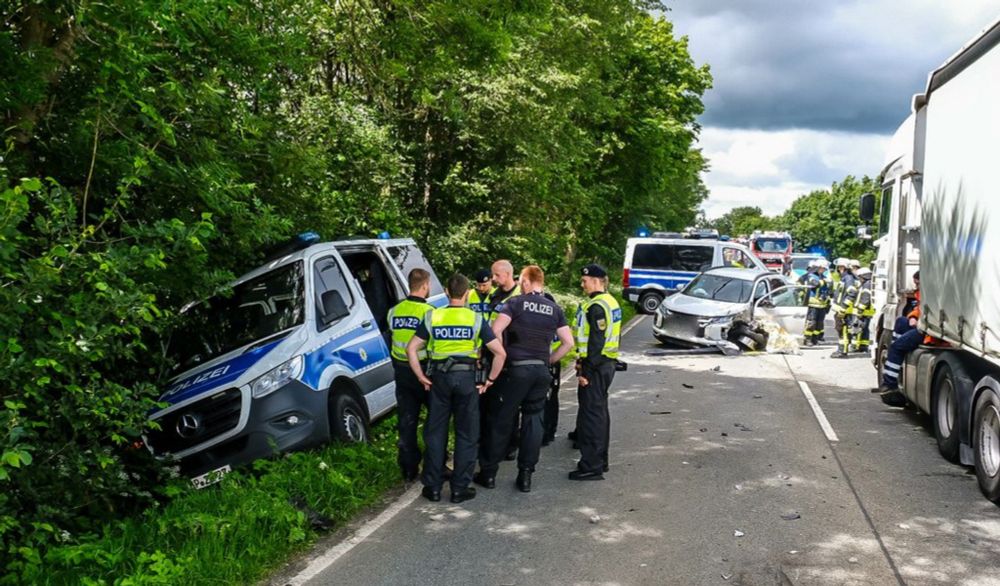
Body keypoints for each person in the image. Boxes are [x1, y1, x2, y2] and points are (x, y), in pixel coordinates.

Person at [406, 274, 507, 504]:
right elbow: (500, 353)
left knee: (435, 432)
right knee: (467, 433)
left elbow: (411, 349)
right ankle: (460, 489)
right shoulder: (475, 319)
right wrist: (490, 380)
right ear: (467, 292)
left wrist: (421, 376)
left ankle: (432, 487)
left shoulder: (433, 315)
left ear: (446, 291)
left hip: (439, 378)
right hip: (467, 379)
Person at [474, 265, 574, 492]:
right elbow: (568, 343)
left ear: (526, 282)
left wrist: (502, 353)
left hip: (515, 371)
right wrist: (549, 360)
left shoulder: (515, 303)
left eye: (521, 281)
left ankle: (488, 474)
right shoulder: (554, 308)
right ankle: (526, 475)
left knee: (501, 420)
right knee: (533, 421)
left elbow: (495, 329)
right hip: (540, 372)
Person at [570, 264, 622, 481]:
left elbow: (595, 343)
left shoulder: (597, 306)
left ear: (596, 280)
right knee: (599, 413)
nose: (582, 285)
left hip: (596, 367)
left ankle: (591, 466)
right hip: (605, 365)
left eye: (585, 281)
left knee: (592, 415)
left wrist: (586, 372)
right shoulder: (610, 302)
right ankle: (601, 460)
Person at [386, 269, 435, 482]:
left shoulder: (393, 311)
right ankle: (434, 463)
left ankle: (408, 468)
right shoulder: (429, 312)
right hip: (425, 370)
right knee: (435, 420)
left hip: (402, 372)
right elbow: (433, 344)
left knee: (407, 420)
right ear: (425, 286)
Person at [482, 260, 523, 462]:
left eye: (497, 275)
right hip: (492, 354)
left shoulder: (519, 297)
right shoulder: (494, 295)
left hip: (511, 354)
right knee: (491, 401)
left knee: (510, 404)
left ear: (508, 274)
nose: (494, 279)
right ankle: (492, 441)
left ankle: (510, 444)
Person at [830, 258, 857, 358]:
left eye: (841, 267)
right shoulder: (844, 278)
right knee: (841, 330)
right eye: (839, 267)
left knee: (843, 331)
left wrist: (843, 308)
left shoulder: (848, 278)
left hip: (844, 311)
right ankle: (841, 350)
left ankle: (842, 351)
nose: (840, 269)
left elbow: (852, 293)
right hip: (841, 309)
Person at [852, 267, 875, 353]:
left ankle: (859, 346)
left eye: (860, 277)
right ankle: (862, 346)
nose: (859, 279)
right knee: (864, 329)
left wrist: (860, 310)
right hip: (866, 312)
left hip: (864, 312)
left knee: (860, 329)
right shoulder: (868, 283)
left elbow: (865, 299)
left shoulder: (867, 285)